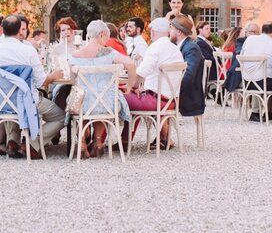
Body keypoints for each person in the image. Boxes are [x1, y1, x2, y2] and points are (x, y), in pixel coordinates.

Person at [0, 16, 65, 158]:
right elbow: (41, 82)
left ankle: (12, 142)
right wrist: (54, 76)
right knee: (60, 116)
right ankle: (32, 144)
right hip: (27, 101)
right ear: (20, 30)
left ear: (3, 29)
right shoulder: (27, 51)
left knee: (13, 103)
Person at [69, 20, 136, 158]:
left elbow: (73, 82)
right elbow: (131, 64)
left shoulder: (75, 55)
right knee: (100, 100)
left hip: (82, 105)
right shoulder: (109, 53)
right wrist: (129, 86)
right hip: (107, 105)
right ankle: (98, 142)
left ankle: (81, 142)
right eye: (106, 37)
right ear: (102, 34)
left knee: (85, 99)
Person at [126, 17, 184, 145]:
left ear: (152, 31)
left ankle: (124, 141)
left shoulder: (155, 47)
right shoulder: (175, 49)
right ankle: (164, 138)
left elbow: (140, 74)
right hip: (172, 101)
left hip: (156, 101)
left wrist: (133, 87)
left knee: (122, 96)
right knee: (134, 95)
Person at [239, 22, 272, 121]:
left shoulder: (250, 39)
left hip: (247, 82)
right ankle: (271, 113)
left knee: (271, 79)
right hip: (263, 83)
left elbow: (242, 55)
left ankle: (257, 113)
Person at [170, 15, 206, 118]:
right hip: (180, 93)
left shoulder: (191, 48)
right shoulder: (179, 46)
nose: (169, 31)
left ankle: (162, 134)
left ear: (179, 32)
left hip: (188, 97)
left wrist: (172, 90)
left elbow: (188, 75)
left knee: (157, 101)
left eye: (171, 28)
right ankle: (162, 133)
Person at [195, 21, 217, 86]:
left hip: (214, 70)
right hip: (209, 72)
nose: (209, 31)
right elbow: (207, 58)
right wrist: (219, 59)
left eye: (209, 29)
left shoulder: (206, 41)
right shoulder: (199, 42)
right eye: (207, 29)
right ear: (200, 30)